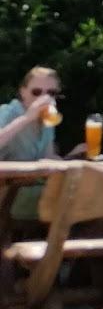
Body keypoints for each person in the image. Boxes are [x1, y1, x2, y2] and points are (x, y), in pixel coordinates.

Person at [0, 66, 63, 221]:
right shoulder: (8, 112)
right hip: (6, 192)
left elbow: (48, 156)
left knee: (85, 191)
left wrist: (75, 161)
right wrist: (27, 118)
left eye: (51, 93)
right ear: (23, 92)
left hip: (30, 189)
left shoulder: (48, 120)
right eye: (36, 92)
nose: (44, 98)